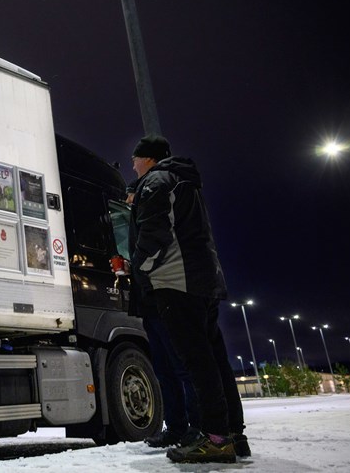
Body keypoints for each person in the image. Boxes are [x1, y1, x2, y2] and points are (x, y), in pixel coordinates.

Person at [129, 135, 249, 463]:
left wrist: (138, 270)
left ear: (148, 159)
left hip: (175, 281)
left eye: (135, 159)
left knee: (196, 362)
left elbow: (154, 235)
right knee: (215, 361)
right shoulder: (186, 181)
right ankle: (233, 434)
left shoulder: (156, 182)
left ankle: (214, 439)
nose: (133, 165)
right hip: (204, 280)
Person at [124, 178, 202, 449]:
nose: (127, 201)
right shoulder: (138, 220)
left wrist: (135, 263)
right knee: (164, 370)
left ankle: (197, 427)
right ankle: (177, 427)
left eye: (129, 195)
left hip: (163, 299)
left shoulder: (151, 214)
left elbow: (154, 250)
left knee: (181, 367)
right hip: (149, 302)